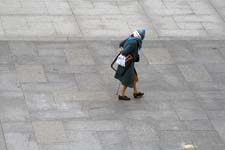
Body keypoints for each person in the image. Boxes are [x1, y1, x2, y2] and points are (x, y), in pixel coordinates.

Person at [114, 29, 146, 101]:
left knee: (134, 76)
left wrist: (121, 49)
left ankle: (135, 92)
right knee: (128, 78)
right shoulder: (134, 42)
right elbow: (124, 52)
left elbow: (121, 44)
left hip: (128, 62)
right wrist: (123, 51)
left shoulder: (130, 38)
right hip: (128, 63)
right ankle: (121, 95)